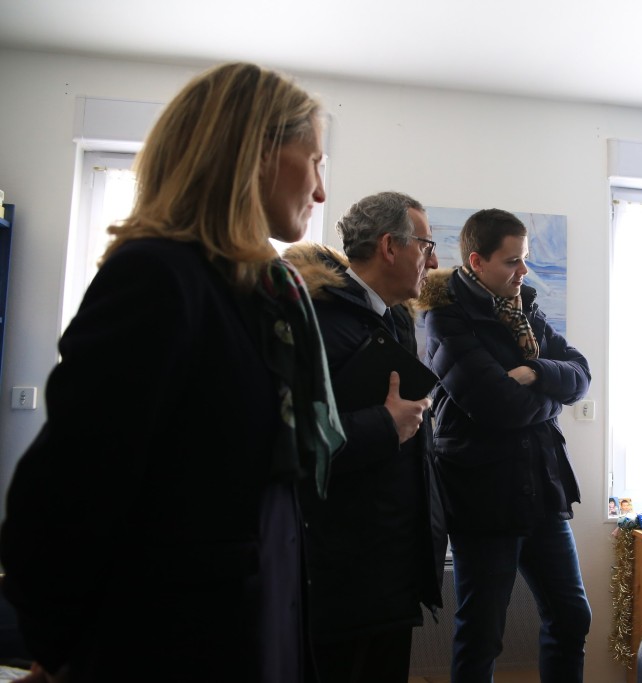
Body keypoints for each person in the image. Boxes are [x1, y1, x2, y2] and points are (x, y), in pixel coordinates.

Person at [0, 62, 344, 683]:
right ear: (256, 152)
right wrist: (61, 650)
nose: (321, 191)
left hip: (257, 624)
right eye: (315, 161)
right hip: (173, 645)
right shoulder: (158, 277)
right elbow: (61, 497)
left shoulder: (261, 295)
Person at [418, 208, 592, 683]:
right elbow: (500, 407)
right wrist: (554, 402)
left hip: (542, 490)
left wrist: (535, 371)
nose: (524, 271)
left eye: (526, 258)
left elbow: (581, 374)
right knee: (482, 634)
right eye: (512, 261)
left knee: (572, 617)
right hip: (483, 499)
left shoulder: (525, 309)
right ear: (477, 261)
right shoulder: (445, 318)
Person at [282, 191, 444, 683]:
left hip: (391, 564)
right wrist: (385, 425)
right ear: (390, 247)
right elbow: (291, 445)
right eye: (426, 245)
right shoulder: (316, 319)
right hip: (341, 574)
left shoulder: (394, 318)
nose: (433, 261)